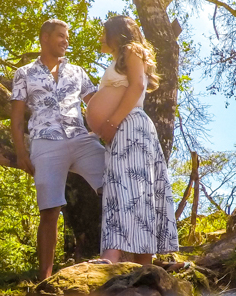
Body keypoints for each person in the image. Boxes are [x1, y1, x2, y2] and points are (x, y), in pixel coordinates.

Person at [10, 19, 106, 281]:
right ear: (45, 37)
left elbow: (96, 105)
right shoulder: (24, 73)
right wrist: (21, 153)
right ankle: (45, 281)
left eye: (67, 36)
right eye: (61, 36)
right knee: (50, 210)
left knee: (117, 183)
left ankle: (127, 257)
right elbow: (16, 118)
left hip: (81, 138)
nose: (66, 40)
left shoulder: (78, 72)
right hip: (45, 141)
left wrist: (112, 129)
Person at [86, 15, 179, 264]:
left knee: (127, 188)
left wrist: (112, 122)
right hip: (123, 130)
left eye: (104, 32)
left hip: (129, 126)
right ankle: (141, 261)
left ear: (116, 33)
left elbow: (137, 85)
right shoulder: (119, 58)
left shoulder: (131, 50)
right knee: (132, 189)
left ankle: (114, 255)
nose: (101, 38)